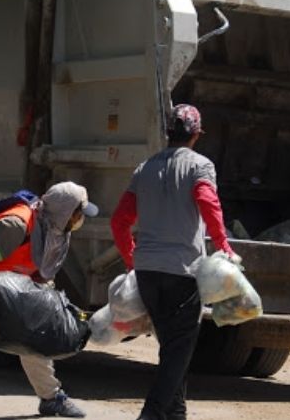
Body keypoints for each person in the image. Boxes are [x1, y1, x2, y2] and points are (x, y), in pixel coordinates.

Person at [110, 104, 237, 420]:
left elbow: (119, 221)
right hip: (182, 272)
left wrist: (132, 261)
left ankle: (176, 415)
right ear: (196, 134)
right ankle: (150, 414)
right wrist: (224, 246)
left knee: (172, 351)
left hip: (148, 273)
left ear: (169, 133)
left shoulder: (144, 168)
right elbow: (209, 204)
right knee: (178, 351)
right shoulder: (200, 166)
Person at [0, 181, 98, 418]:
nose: (80, 220)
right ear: (64, 210)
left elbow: (42, 274)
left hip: (7, 277)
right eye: (78, 213)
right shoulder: (17, 224)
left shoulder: (55, 230)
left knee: (32, 330)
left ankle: (51, 398)